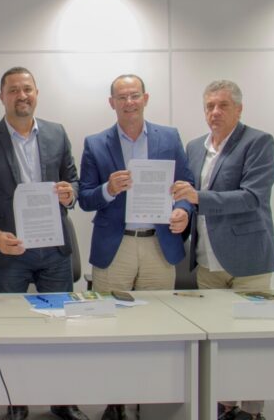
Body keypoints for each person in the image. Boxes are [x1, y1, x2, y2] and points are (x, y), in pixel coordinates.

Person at [0, 66, 87, 420]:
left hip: (54, 249)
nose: (21, 95)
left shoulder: (56, 132)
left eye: (27, 89)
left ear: (36, 93)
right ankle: (16, 401)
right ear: (1, 97)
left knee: (60, 327)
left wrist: (70, 194)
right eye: (13, 90)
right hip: (10, 250)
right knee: (12, 328)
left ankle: (62, 399)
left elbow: (73, 180)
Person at [78, 75, 194, 420]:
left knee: (158, 327)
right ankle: (114, 402)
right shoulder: (95, 143)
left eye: (134, 96)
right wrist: (109, 189)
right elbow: (85, 198)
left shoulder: (169, 137)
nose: (129, 102)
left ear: (145, 98)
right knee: (109, 327)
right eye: (122, 97)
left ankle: (152, 399)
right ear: (111, 103)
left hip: (159, 244)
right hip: (116, 247)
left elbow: (186, 186)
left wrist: (183, 211)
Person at [173, 80, 274, 420]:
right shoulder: (194, 147)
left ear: (239, 109)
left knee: (252, 340)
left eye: (223, 105)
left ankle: (251, 410)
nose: (215, 112)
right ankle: (227, 404)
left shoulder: (258, 142)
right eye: (209, 106)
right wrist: (182, 212)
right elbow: (188, 198)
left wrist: (198, 198)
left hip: (248, 260)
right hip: (207, 261)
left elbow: (252, 197)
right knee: (217, 339)